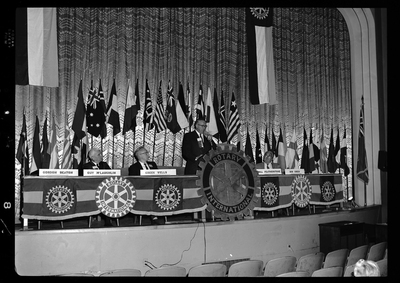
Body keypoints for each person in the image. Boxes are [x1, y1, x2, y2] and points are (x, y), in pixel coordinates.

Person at [82, 147, 114, 227]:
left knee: (109, 195)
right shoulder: (86, 166)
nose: (101, 156)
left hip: (105, 189)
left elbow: (111, 175)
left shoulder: (104, 164)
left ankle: (108, 220)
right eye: (99, 155)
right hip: (92, 189)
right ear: (92, 157)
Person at [129, 146, 160, 225]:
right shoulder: (133, 168)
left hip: (155, 188)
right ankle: (154, 216)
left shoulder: (153, 164)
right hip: (142, 189)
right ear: (140, 155)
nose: (148, 154)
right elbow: (133, 182)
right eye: (145, 153)